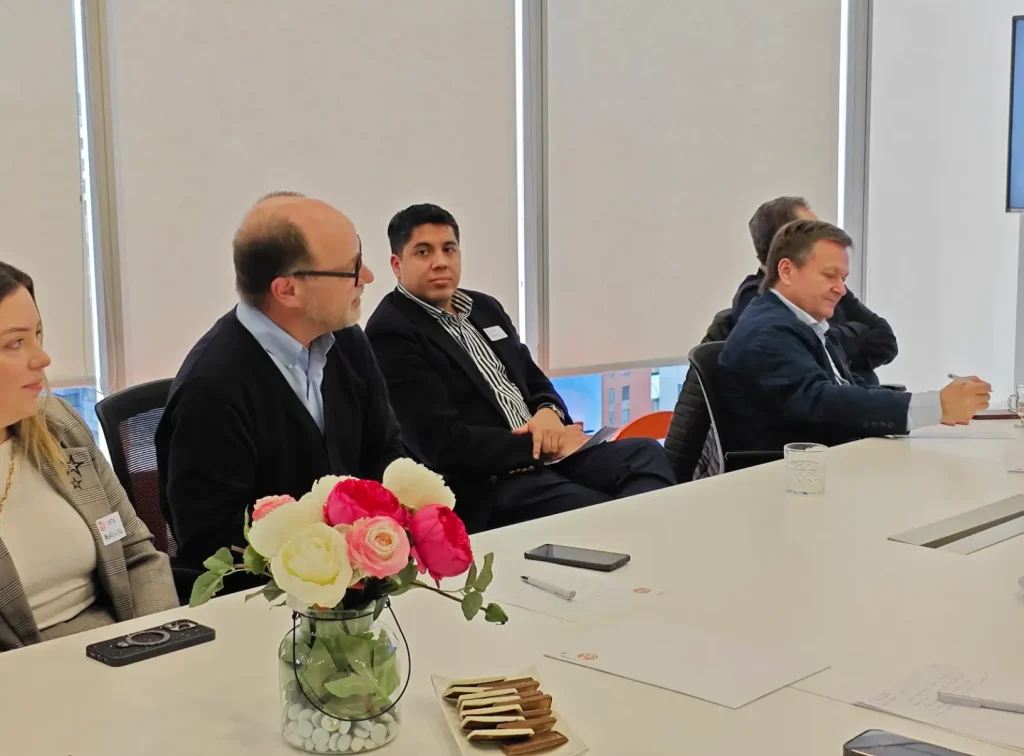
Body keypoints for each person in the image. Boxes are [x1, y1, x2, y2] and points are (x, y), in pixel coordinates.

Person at [365, 203, 675, 533]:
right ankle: (645, 543)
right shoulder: (391, 333)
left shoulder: (484, 307)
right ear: (397, 265)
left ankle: (647, 542)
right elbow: (443, 445)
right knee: (599, 511)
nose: (440, 261)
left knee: (646, 454)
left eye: (449, 249)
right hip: (490, 483)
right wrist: (542, 447)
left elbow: (534, 380)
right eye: (423, 252)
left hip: (549, 460)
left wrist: (549, 413)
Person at [156, 193, 404, 577]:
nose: (368, 277)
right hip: (268, 596)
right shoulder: (211, 390)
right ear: (287, 290)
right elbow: (214, 544)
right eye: (351, 269)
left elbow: (385, 455)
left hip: (357, 581)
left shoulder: (346, 341)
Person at [0, 263, 176, 651]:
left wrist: (158, 644)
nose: (42, 358)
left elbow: (137, 556)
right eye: (15, 343)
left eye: (37, 335)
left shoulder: (57, 424)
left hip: (123, 648)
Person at [719, 219, 990, 452]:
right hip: (786, 478)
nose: (841, 290)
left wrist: (936, 404)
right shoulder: (767, 331)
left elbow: (848, 387)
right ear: (787, 271)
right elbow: (821, 401)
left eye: (844, 279)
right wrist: (934, 405)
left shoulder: (804, 323)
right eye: (830, 275)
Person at [733, 196, 897, 384]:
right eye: (811, 231)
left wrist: (832, 341)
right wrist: (853, 333)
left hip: (858, 392)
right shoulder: (756, 299)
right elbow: (804, 352)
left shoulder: (834, 287)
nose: (840, 289)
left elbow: (886, 340)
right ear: (783, 241)